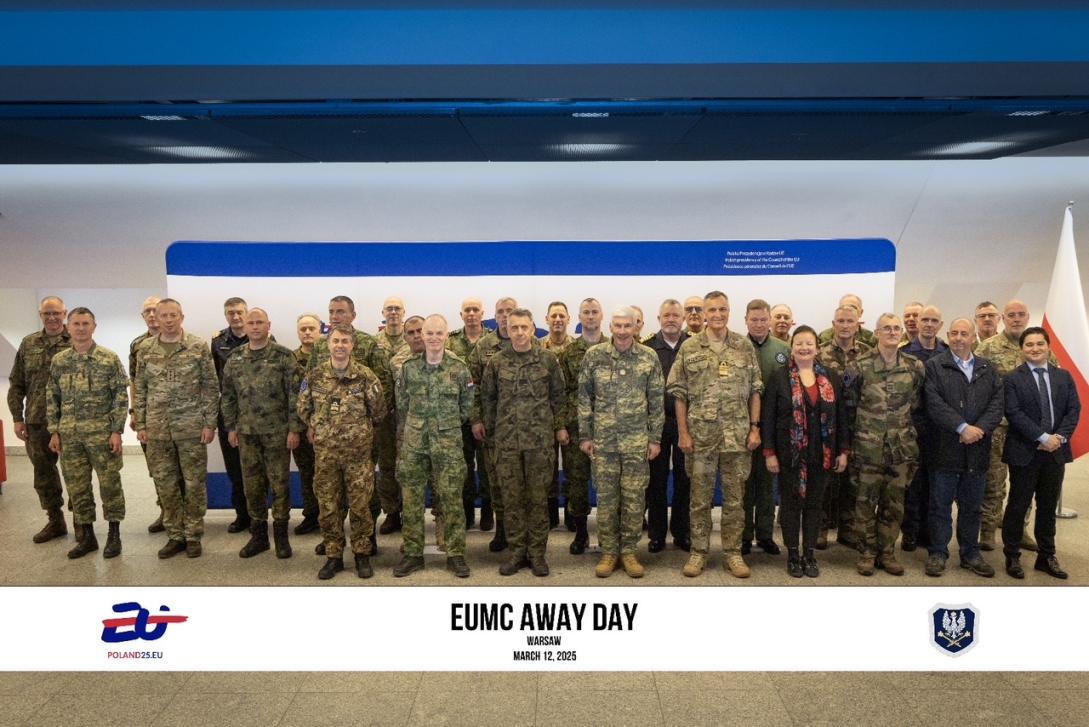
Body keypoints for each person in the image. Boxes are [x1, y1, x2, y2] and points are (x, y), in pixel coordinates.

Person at [668, 290, 763, 579]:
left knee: (735, 501)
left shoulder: (743, 347)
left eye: (722, 309)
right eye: (712, 310)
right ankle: (699, 552)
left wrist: (755, 428)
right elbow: (679, 394)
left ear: (728, 311)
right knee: (699, 499)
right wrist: (683, 433)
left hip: (737, 438)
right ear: (703, 314)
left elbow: (756, 389)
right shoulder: (690, 348)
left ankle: (733, 553)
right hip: (701, 438)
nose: (717, 315)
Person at [579, 307, 664, 578]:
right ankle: (608, 552)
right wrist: (585, 435)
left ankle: (628, 551)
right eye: (618, 326)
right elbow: (584, 399)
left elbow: (657, 401)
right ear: (611, 327)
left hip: (637, 442)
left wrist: (655, 438)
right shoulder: (595, 356)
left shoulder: (648, 357)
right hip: (603, 443)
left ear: (636, 327)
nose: (623, 331)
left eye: (628, 326)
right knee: (606, 499)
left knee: (634, 499)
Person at [297, 325, 386, 580]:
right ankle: (333, 555)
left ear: (352, 345)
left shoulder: (366, 377)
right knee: (328, 506)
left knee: (360, 506)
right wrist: (318, 426)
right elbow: (303, 408)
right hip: (326, 455)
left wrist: (360, 431)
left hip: (358, 456)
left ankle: (361, 554)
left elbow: (378, 411)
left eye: (345, 341)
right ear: (328, 344)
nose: (340, 345)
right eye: (336, 340)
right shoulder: (314, 377)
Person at [482, 308, 566, 576]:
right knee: (512, 500)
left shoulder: (548, 360)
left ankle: (538, 554)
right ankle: (517, 552)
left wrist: (558, 428)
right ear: (507, 328)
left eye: (524, 327)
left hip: (539, 444)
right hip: (506, 444)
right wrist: (494, 436)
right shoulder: (496, 362)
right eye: (514, 327)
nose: (519, 332)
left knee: (538, 499)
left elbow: (559, 397)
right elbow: (488, 400)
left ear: (532, 329)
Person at [134, 298, 218, 559]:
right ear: (156, 319)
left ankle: (193, 535)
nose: (169, 320)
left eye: (173, 315)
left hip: (191, 428)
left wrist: (209, 423)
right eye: (163, 316)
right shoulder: (145, 348)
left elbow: (210, 386)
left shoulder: (197, 346)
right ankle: (174, 535)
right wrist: (142, 423)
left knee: (194, 484)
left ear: (182, 317)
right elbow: (141, 388)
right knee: (166, 484)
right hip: (158, 431)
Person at [762, 326, 849, 577]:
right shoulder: (779, 378)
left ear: (817, 348)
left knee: (814, 505)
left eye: (809, 343)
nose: (804, 348)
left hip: (821, 455)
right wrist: (770, 453)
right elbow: (768, 417)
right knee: (791, 505)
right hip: (789, 455)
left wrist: (843, 451)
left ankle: (809, 554)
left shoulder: (830, 376)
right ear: (792, 347)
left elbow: (841, 416)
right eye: (799, 343)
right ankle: (792, 554)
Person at [310, 295, 394, 548]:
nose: (335, 316)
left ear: (353, 315)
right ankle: (333, 538)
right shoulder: (320, 346)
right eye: (331, 311)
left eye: (341, 312)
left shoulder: (368, 344)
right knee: (331, 491)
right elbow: (310, 389)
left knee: (363, 490)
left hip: (362, 435)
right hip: (328, 437)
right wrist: (314, 423)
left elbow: (384, 387)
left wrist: (372, 425)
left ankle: (366, 538)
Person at [922, 318, 1003, 578]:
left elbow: (996, 405)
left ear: (972, 337)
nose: (958, 338)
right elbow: (933, 403)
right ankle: (937, 552)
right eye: (954, 333)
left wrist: (977, 429)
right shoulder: (935, 366)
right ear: (948, 335)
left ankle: (970, 553)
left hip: (977, 450)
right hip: (945, 447)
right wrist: (961, 427)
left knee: (972, 506)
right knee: (940, 505)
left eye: (964, 333)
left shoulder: (988, 369)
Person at [395, 314, 474, 579]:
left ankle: (455, 554)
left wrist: (445, 426)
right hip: (415, 444)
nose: (432, 338)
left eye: (438, 333)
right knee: (412, 500)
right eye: (428, 333)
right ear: (422, 336)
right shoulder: (409, 368)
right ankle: (414, 554)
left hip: (448, 443)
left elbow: (466, 407)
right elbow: (402, 404)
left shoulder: (459, 368)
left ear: (445, 334)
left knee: (452, 499)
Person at [221, 309, 304, 560]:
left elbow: (295, 395)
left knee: (280, 485)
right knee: (252, 486)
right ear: (244, 327)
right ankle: (258, 536)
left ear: (268, 325)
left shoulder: (283, 356)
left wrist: (294, 429)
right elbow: (228, 396)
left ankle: (281, 536)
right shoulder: (234, 358)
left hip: (277, 433)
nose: (255, 326)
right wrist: (231, 427)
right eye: (251, 323)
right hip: (247, 434)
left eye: (260, 322)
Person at [46, 307, 129, 559]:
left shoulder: (108, 358)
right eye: (76, 324)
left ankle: (114, 535)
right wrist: (54, 431)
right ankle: (88, 537)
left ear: (94, 326)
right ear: (67, 327)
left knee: (110, 485)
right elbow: (52, 398)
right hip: (70, 437)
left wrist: (116, 430)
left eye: (86, 323)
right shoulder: (59, 361)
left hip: (102, 436)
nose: (81, 328)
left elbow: (120, 397)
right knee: (77, 488)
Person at [1001, 327, 1081, 580]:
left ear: (1048, 347)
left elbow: (1073, 409)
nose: (1034, 349)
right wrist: (1042, 437)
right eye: (1029, 345)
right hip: (1025, 451)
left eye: (1039, 344)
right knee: (1018, 505)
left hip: (1055, 452)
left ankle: (1046, 556)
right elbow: (1014, 413)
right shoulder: (1012, 378)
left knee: (1047, 507)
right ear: (1021, 349)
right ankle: (1012, 555)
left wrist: (1058, 438)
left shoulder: (1064, 377)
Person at [975, 299, 1052, 552]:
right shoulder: (987, 348)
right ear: (1003, 319)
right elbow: (975, 386)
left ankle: (1019, 531)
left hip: (1030, 430)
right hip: (998, 427)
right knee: (993, 482)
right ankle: (987, 531)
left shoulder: (1038, 347)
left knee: (1024, 484)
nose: (1016, 318)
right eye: (1011, 315)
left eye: (1021, 314)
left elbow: (1055, 385)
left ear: (1028, 317)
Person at [852, 313, 925, 576]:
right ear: (877, 332)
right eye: (887, 328)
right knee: (864, 503)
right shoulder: (859, 366)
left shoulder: (914, 366)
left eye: (896, 328)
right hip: (868, 448)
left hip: (901, 448)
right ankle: (867, 553)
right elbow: (850, 404)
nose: (893, 332)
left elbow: (915, 402)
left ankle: (887, 552)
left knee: (894, 505)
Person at [8, 296, 71, 543]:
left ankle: (82, 522)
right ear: (41, 315)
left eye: (56, 313)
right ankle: (55, 520)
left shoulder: (75, 341)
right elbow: (17, 383)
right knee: (44, 474)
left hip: (70, 421)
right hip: (36, 421)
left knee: (75, 472)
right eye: (47, 314)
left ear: (64, 313)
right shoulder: (29, 343)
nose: (52, 318)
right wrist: (16, 417)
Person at [816, 304, 871, 547]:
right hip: (829, 424)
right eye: (841, 321)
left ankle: (847, 528)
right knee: (826, 479)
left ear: (858, 323)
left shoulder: (869, 354)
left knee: (853, 478)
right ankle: (820, 528)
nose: (845, 325)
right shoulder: (820, 354)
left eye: (850, 321)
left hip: (859, 424)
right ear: (833, 324)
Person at [557, 297, 606, 555]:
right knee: (577, 482)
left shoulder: (614, 347)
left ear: (601, 316)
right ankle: (581, 533)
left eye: (594, 312)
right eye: (585, 312)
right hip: (576, 428)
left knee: (608, 483)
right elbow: (561, 392)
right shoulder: (569, 352)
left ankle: (608, 534)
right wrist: (561, 426)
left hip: (609, 429)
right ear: (579, 317)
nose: (590, 316)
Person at [643, 299, 691, 554]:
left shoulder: (694, 345)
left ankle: (682, 532)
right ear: (658, 318)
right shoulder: (648, 347)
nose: (671, 319)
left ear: (683, 318)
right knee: (656, 481)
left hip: (688, 424)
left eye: (676, 315)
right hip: (657, 425)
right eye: (666, 315)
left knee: (686, 479)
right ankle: (657, 534)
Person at [469, 296, 517, 552]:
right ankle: (501, 530)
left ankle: (520, 532)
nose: (506, 316)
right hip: (494, 428)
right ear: (495, 316)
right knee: (496, 480)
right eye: (501, 312)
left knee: (519, 483)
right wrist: (476, 418)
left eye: (510, 311)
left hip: (523, 429)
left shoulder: (528, 343)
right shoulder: (484, 346)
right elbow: (472, 387)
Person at [742, 299, 789, 556]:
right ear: (746, 320)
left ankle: (765, 535)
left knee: (767, 484)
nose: (759, 324)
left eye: (763, 319)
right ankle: (745, 536)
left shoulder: (784, 349)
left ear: (769, 320)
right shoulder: (736, 347)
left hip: (775, 426)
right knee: (745, 484)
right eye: (754, 320)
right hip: (742, 425)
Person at [900, 304, 948, 553]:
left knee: (936, 483)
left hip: (942, 429)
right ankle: (910, 532)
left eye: (934, 320)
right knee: (913, 483)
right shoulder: (904, 352)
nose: (928, 324)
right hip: (913, 426)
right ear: (917, 323)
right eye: (924, 319)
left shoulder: (948, 353)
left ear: (940, 325)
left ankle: (930, 533)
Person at [447, 297, 491, 530]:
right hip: (458, 416)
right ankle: (466, 510)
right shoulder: (451, 341)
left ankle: (486, 509)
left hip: (486, 414)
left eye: (476, 310)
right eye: (467, 310)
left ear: (482, 313)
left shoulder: (493, 340)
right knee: (462, 466)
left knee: (487, 466)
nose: (472, 314)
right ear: (461, 314)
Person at [128, 295, 169, 534]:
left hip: (180, 418)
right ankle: (165, 510)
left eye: (156, 310)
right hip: (151, 418)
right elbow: (135, 382)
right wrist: (135, 412)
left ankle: (186, 514)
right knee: (157, 467)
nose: (152, 315)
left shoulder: (184, 341)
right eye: (147, 312)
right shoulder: (138, 345)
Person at [210, 296, 252, 534]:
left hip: (257, 414)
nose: (236, 317)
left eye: (239, 312)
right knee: (235, 469)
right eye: (231, 313)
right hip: (229, 414)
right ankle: (241, 515)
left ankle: (258, 516)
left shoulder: (261, 336)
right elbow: (215, 377)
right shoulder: (217, 342)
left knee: (257, 471)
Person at [291, 313, 322, 536]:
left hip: (326, 429)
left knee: (328, 475)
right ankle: (311, 515)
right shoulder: (289, 359)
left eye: (312, 328)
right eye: (303, 329)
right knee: (306, 473)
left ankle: (331, 517)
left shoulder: (330, 356)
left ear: (321, 330)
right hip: (301, 427)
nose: (307, 332)